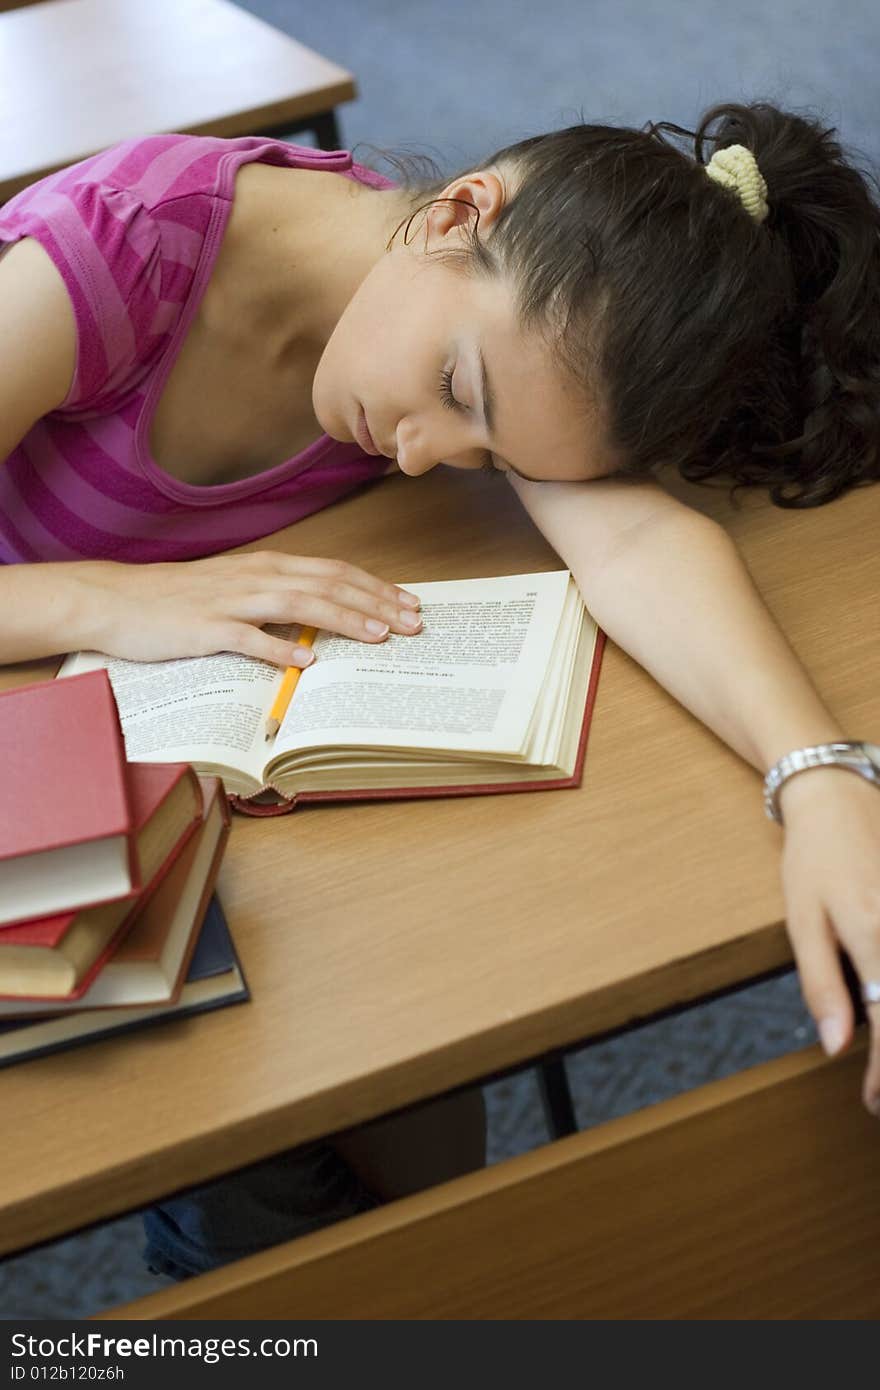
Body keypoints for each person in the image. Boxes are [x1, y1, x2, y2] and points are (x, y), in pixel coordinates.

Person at [1, 100, 878, 1281]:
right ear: (460, 210)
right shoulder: (122, 251)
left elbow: (632, 550)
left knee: (383, 1044)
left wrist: (818, 777)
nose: (418, 453)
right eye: (456, 395)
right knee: (226, 1086)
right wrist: (108, 602)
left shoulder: (494, 314)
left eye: (488, 457)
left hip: (136, 734)